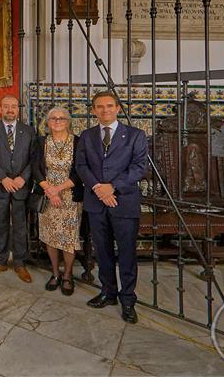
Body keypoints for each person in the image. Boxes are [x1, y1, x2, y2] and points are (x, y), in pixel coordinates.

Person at [76, 91, 148, 324]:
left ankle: (128, 299)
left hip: (123, 202)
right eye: (99, 107)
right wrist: (98, 187)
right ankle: (108, 291)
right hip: (96, 202)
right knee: (102, 250)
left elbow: (139, 167)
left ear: (118, 108)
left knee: (126, 252)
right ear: (94, 110)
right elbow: (81, 165)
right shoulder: (86, 136)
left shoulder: (136, 135)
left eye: (109, 106)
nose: (104, 110)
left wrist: (112, 187)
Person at [0, 95, 36, 282]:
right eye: (6, 106)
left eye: (13, 107)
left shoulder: (28, 131)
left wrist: (23, 177)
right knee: (0, 224)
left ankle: (20, 263)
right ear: (0, 109)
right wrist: (3, 178)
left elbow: (34, 158)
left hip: (21, 186)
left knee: (20, 226)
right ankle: (0, 260)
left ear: (18, 109)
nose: (10, 110)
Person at [33, 106, 83, 296]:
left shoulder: (78, 142)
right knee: (50, 237)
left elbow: (80, 171)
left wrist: (59, 189)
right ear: (47, 122)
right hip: (47, 197)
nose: (57, 121)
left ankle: (68, 275)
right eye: (53, 118)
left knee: (69, 239)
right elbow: (36, 168)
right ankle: (55, 273)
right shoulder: (41, 142)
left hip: (70, 197)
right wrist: (49, 190)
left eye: (62, 118)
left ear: (68, 122)